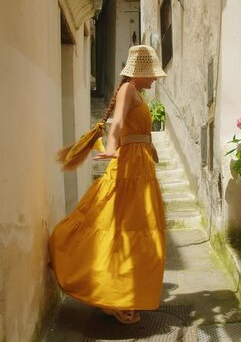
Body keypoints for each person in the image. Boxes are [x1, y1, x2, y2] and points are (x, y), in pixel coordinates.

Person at [49, 45, 167, 324]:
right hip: (129, 168)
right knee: (120, 231)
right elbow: (116, 124)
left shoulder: (137, 92)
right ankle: (113, 297)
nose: (154, 79)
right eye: (151, 74)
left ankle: (120, 295)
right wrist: (113, 147)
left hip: (141, 167)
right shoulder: (128, 91)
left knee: (137, 232)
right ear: (138, 74)